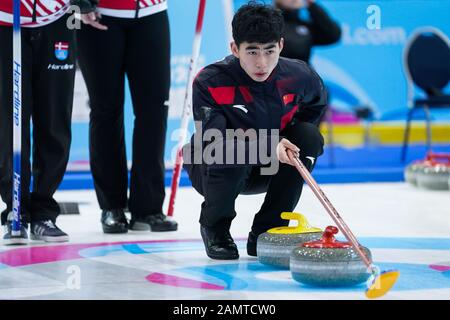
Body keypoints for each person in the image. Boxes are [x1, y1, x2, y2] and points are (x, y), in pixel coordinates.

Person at [183, 2, 327, 260]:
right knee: (231, 151)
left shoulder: (301, 76)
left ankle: (267, 229)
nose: (261, 62)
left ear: (281, 46)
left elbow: (315, 106)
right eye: (251, 51)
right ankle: (215, 228)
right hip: (213, 165)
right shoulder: (210, 81)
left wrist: (289, 137)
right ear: (234, 49)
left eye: (269, 50)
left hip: (268, 165)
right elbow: (213, 145)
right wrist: (270, 145)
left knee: (308, 137)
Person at [72, 0, 177, 233]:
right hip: (100, 15)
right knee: (105, 110)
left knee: (155, 109)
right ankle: (112, 206)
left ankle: (148, 208)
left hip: (151, 13)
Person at [0, 0, 75, 244]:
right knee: (9, 120)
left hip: (58, 16)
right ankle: (15, 209)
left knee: (55, 118)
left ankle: (44, 211)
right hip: (6, 18)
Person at [274, 0, 341, 63]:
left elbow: (333, 35)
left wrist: (312, 4)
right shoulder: (271, 23)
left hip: (302, 74)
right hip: (276, 73)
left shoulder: (304, 25)